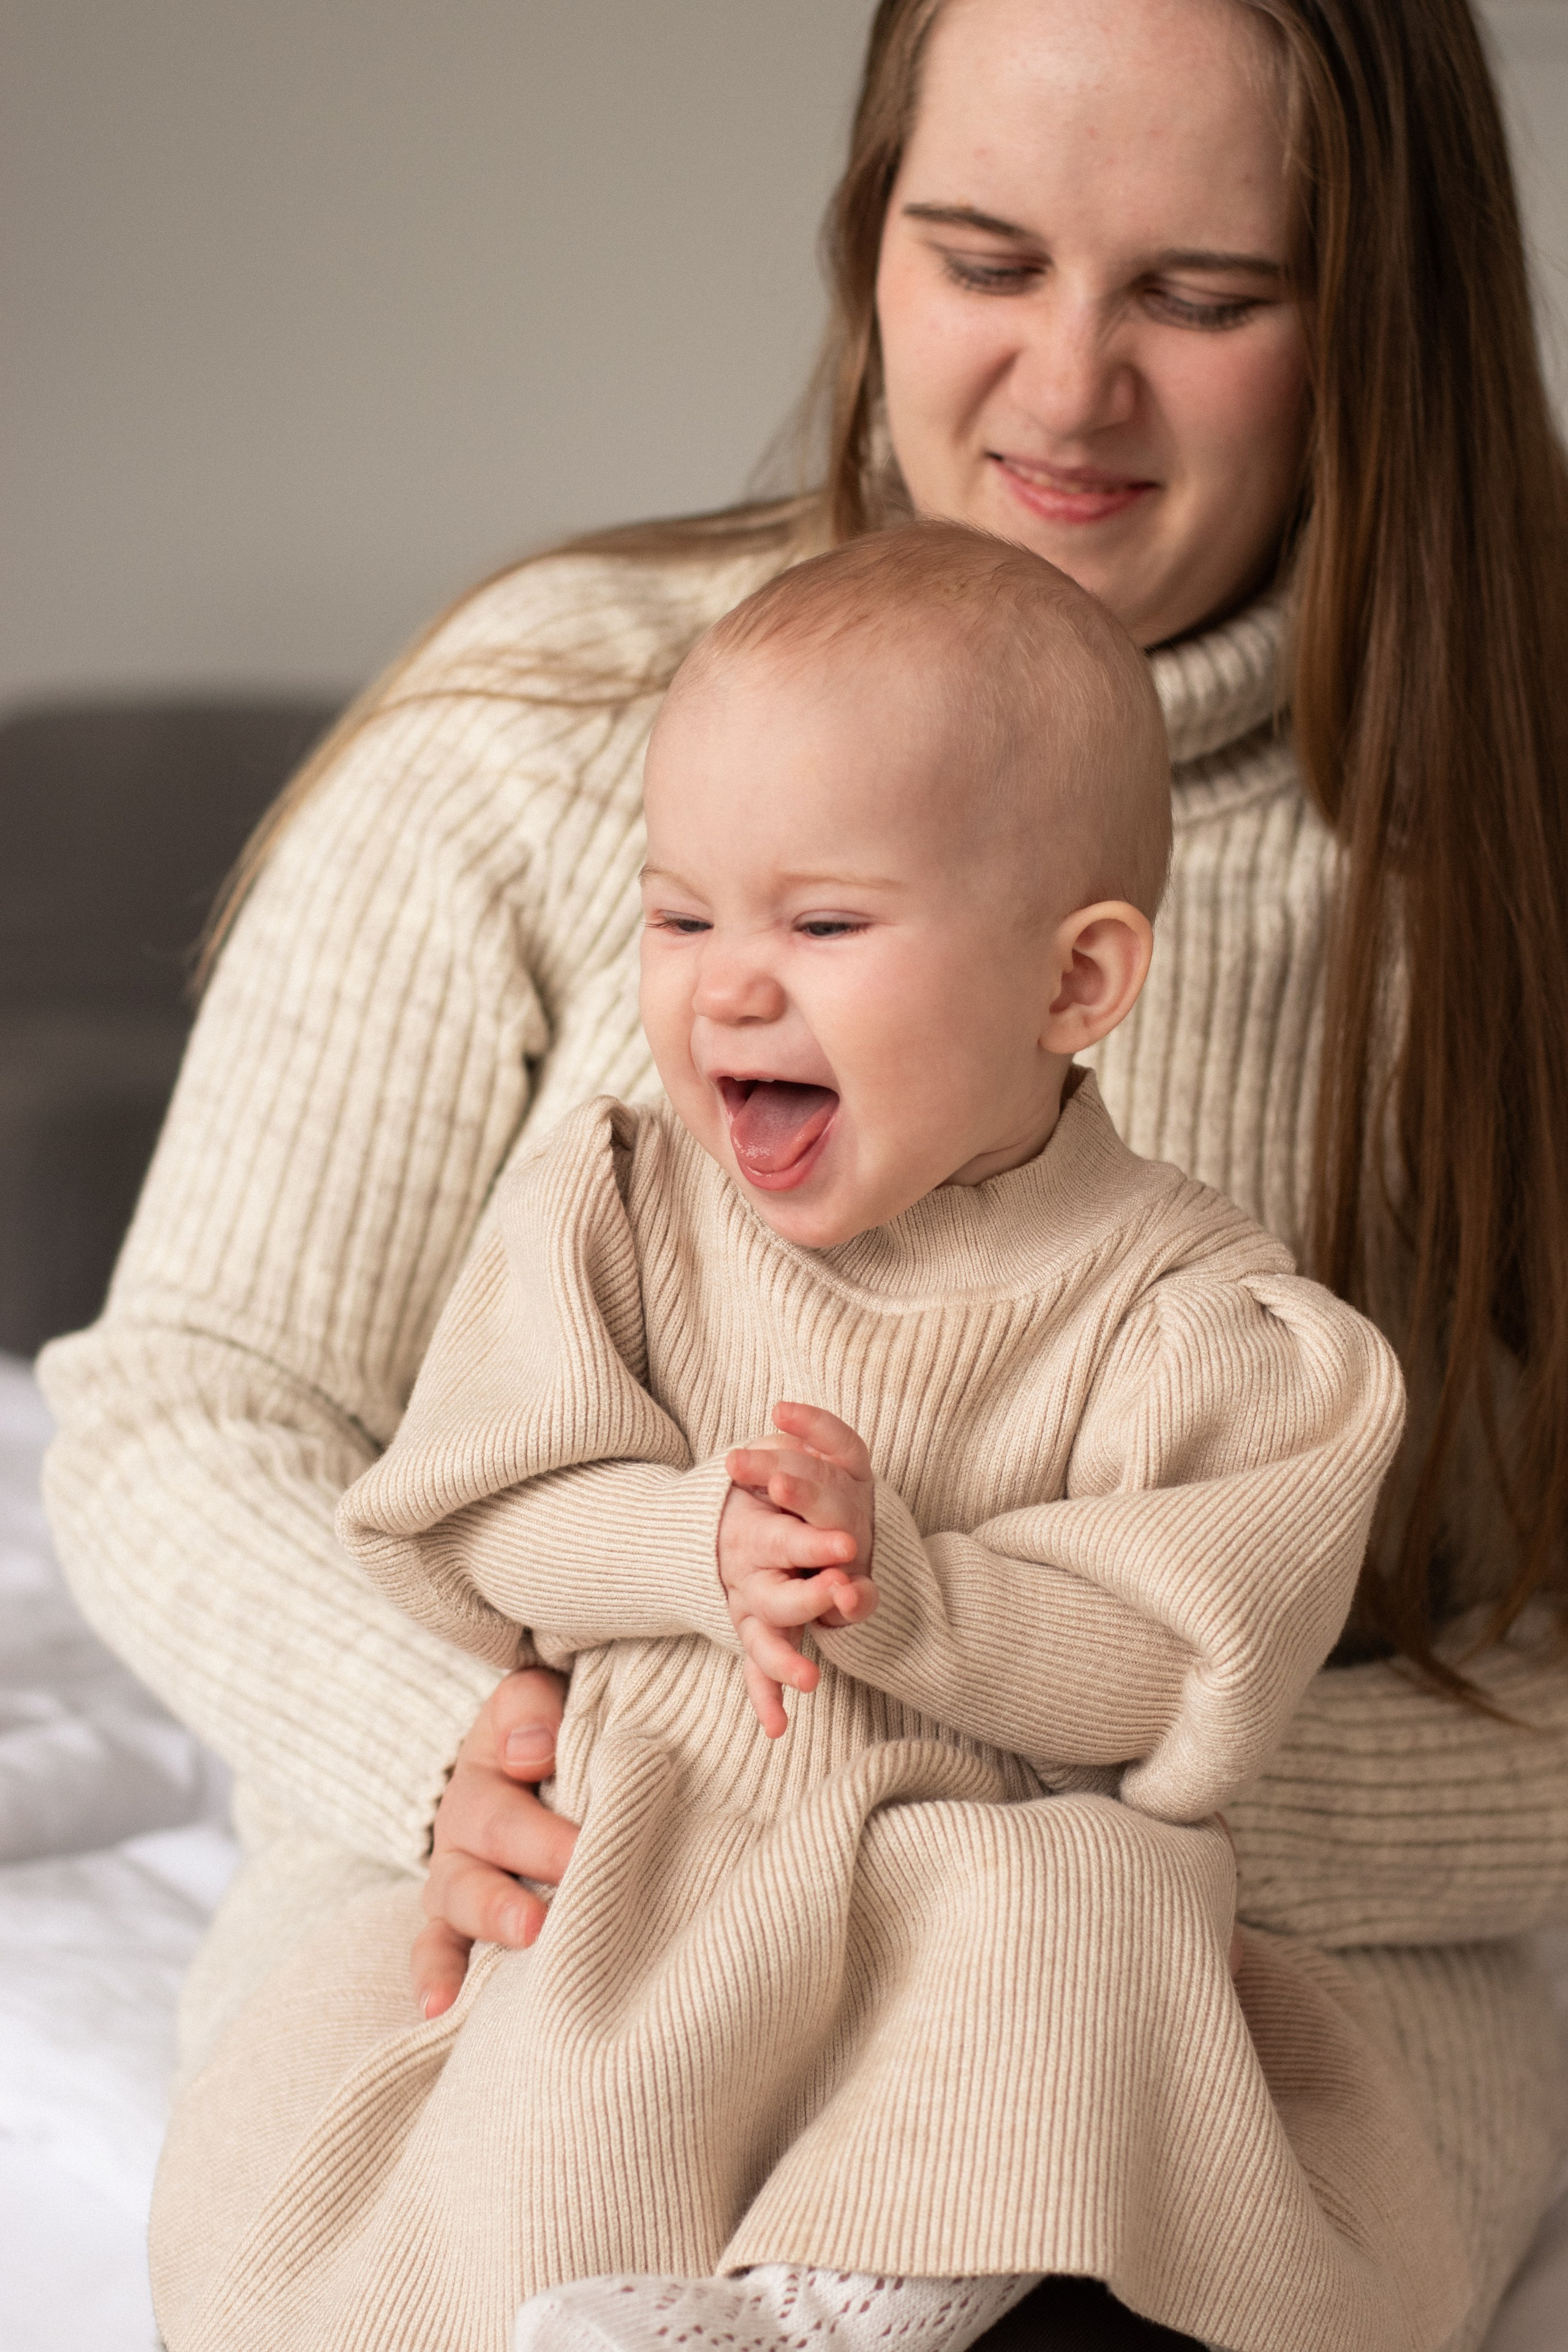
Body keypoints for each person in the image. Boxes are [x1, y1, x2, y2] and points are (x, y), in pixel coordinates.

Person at [34, 1, 1568, 2347]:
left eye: (1202, 295)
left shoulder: (1510, 868)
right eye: (982, 258)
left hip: (1200, 1961)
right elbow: (185, 1405)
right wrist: (471, 1753)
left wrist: (1124, 1814)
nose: (1067, 394)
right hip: (579, 1890)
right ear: (866, 244)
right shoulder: (543, 721)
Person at [205, 525, 1422, 2352]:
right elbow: (484, 1514)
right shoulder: (616, 1211)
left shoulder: (1189, 1317)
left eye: (824, 924)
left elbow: (1176, 1672)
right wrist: (687, 1546)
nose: (727, 986)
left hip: (983, 1845)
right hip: (675, 1825)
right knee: (570, 2069)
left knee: (1078, 1923)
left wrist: (905, 1593)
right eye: (678, 913)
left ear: (1077, 985)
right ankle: (604, 2307)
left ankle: (880, 2285)